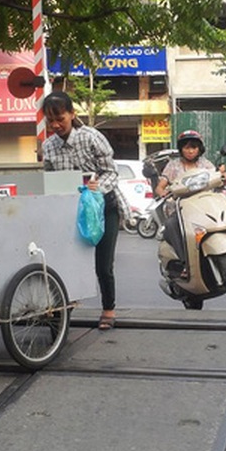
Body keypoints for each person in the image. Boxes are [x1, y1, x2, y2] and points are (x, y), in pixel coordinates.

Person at [41, 91, 128, 331]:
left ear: (72, 114)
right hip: (69, 212)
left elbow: (111, 171)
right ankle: (62, 310)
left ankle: (108, 309)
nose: (56, 125)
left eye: (61, 118)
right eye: (51, 121)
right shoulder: (48, 146)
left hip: (104, 209)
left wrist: (97, 187)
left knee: (103, 264)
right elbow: (48, 179)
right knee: (63, 262)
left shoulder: (91, 137)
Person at [154, 130, 215, 280]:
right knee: (171, 225)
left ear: (199, 149)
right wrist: (162, 192)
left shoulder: (205, 164)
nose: (190, 150)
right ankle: (185, 263)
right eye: (187, 147)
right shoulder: (173, 165)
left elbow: (217, 175)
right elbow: (160, 186)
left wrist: (225, 176)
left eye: (193, 147)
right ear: (181, 149)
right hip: (180, 209)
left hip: (203, 206)